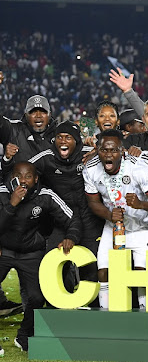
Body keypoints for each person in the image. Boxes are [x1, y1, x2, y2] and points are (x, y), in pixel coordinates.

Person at [0, 161, 80, 351]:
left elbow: (72, 218)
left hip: (31, 253)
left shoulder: (45, 195)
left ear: (36, 179)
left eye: (28, 177)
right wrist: (12, 203)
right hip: (4, 250)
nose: (23, 181)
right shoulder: (2, 192)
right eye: (18, 176)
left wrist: (71, 236)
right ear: (12, 177)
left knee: (36, 297)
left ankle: (24, 336)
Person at [83, 130, 148, 310]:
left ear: (122, 151)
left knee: (143, 275)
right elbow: (93, 202)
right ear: (97, 149)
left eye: (113, 151)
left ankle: (146, 315)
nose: (108, 155)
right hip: (114, 226)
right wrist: (109, 215)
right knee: (103, 271)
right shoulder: (90, 169)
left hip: (143, 226)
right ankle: (106, 315)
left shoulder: (139, 167)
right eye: (104, 150)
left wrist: (141, 204)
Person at [26, 121, 103, 295]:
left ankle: (93, 307)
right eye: (59, 137)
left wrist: (99, 149)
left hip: (92, 219)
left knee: (92, 267)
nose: (62, 141)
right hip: (62, 220)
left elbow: (117, 155)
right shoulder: (46, 157)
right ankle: (60, 309)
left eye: (68, 137)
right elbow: (22, 171)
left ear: (77, 141)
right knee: (55, 263)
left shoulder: (89, 154)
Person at [0, 95, 56, 179]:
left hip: (52, 188)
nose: (38, 115)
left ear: (49, 115)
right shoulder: (13, 130)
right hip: (18, 189)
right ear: (26, 115)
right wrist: (7, 158)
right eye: (33, 112)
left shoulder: (61, 135)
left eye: (43, 112)